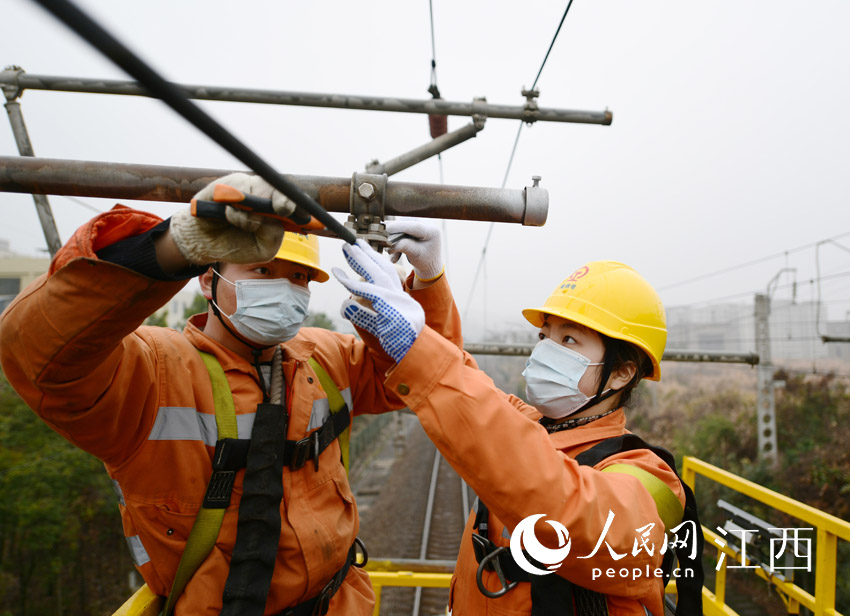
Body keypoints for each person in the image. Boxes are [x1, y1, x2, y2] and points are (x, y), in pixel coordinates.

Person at [0, 174, 459, 616]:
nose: (285, 288)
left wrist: (428, 281)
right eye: (262, 269)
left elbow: (425, 377)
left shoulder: (322, 357)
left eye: (299, 277)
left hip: (341, 603)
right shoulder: (152, 370)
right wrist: (169, 248)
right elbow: (38, 355)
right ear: (206, 277)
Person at [334, 241, 704, 616]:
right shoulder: (531, 425)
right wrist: (426, 283)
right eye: (545, 337)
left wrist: (418, 346)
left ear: (622, 373)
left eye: (569, 339)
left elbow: (563, 505)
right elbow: (460, 383)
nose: (545, 350)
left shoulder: (647, 477)